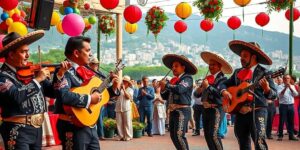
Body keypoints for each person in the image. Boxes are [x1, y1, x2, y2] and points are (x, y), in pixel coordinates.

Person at [0, 30, 69, 150]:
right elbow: (16, 96)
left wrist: (59, 75)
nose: (28, 55)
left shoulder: (32, 73)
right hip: (16, 128)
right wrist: (37, 80)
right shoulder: (3, 76)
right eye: (23, 52)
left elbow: (53, 93)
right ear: (11, 54)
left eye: (27, 51)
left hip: (37, 129)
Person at [52, 36, 118, 150]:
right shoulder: (63, 71)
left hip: (89, 125)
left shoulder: (85, 70)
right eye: (87, 51)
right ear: (76, 53)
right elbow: (64, 96)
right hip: (72, 125)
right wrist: (89, 99)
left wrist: (113, 89)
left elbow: (97, 94)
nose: (90, 54)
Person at [220, 40, 277, 150]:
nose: (241, 58)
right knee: (243, 144)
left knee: (260, 143)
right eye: (241, 56)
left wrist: (267, 89)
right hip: (240, 113)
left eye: (245, 56)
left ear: (254, 57)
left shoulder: (265, 73)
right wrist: (224, 91)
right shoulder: (237, 72)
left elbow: (273, 95)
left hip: (258, 112)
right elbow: (223, 84)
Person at [194, 51, 233, 150]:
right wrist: (200, 88)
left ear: (220, 66)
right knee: (207, 135)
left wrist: (207, 87)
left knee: (214, 135)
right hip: (206, 109)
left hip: (216, 109)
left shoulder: (223, 79)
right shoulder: (207, 79)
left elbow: (219, 94)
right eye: (209, 65)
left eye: (213, 65)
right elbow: (196, 95)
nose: (210, 67)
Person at [160, 54, 197, 150]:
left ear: (183, 67)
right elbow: (165, 96)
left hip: (182, 111)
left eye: (176, 66)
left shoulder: (187, 78)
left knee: (179, 136)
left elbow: (180, 89)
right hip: (173, 111)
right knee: (173, 136)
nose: (173, 68)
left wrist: (167, 84)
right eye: (172, 66)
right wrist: (163, 88)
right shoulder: (174, 80)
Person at [277, 74, 299, 141]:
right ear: (283, 79)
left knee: (291, 121)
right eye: (285, 78)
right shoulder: (280, 86)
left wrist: (290, 88)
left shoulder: (292, 86)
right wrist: (285, 88)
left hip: (291, 105)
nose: (287, 80)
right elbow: (279, 95)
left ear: (290, 79)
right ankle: (280, 135)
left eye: (288, 78)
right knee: (282, 121)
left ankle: (291, 135)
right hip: (283, 105)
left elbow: (296, 94)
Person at [115, 75, 134, 141]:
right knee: (119, 123)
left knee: (127, 123)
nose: (124, 83)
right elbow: (115, 97)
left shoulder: (130, 90)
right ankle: (121, 136)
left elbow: (128, 97)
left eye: (125, 82)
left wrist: (123, 90)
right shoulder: (119, 89)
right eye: (123, 81)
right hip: (118, 107)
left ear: (128, 83)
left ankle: (128, 136)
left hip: (126, 108)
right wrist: (120, 89)